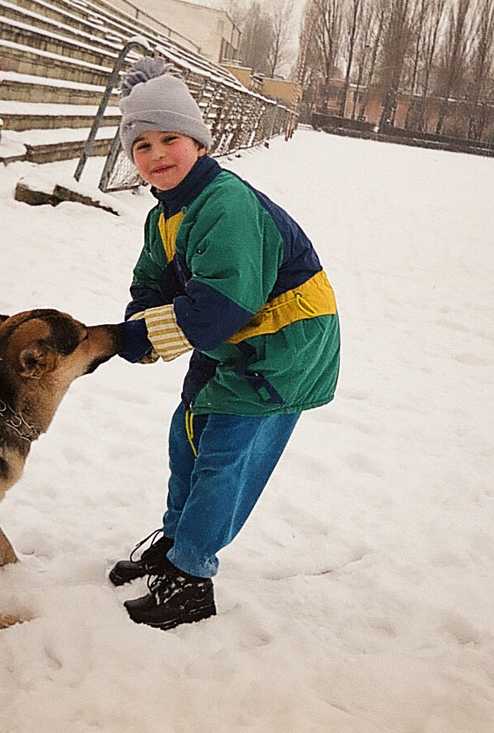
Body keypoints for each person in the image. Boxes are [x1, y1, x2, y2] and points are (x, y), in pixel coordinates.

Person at [109, 57, 341, 630]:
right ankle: (177, 538)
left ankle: (192, 576)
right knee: (187, 432)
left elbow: (222, 304)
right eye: (142, 146)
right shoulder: (167, 212)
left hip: (283, 348)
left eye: (171, 139)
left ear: (199, 141)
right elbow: (150, 281)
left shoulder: (226, 204)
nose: (157, 155)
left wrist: (145, 338)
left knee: (224, 455)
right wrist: (136, 324)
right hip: (233, 342)